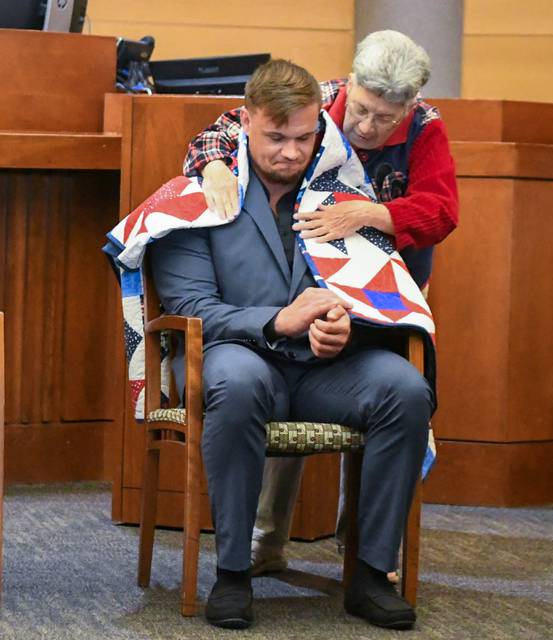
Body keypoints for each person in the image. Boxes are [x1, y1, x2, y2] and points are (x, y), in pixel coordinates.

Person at [151, 58, 433, 631]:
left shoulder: (344, 196)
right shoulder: (197, 198)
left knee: (405, 387)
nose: (289, 151)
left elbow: (380, 296)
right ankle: (232, 572)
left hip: (325, 370)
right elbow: (191, 309)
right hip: (238, 357)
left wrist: (348, 326)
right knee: (234, 379)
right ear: (246, 120)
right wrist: (279, 321)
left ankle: (371, 573)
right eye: (274, 137)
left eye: (303, 137)